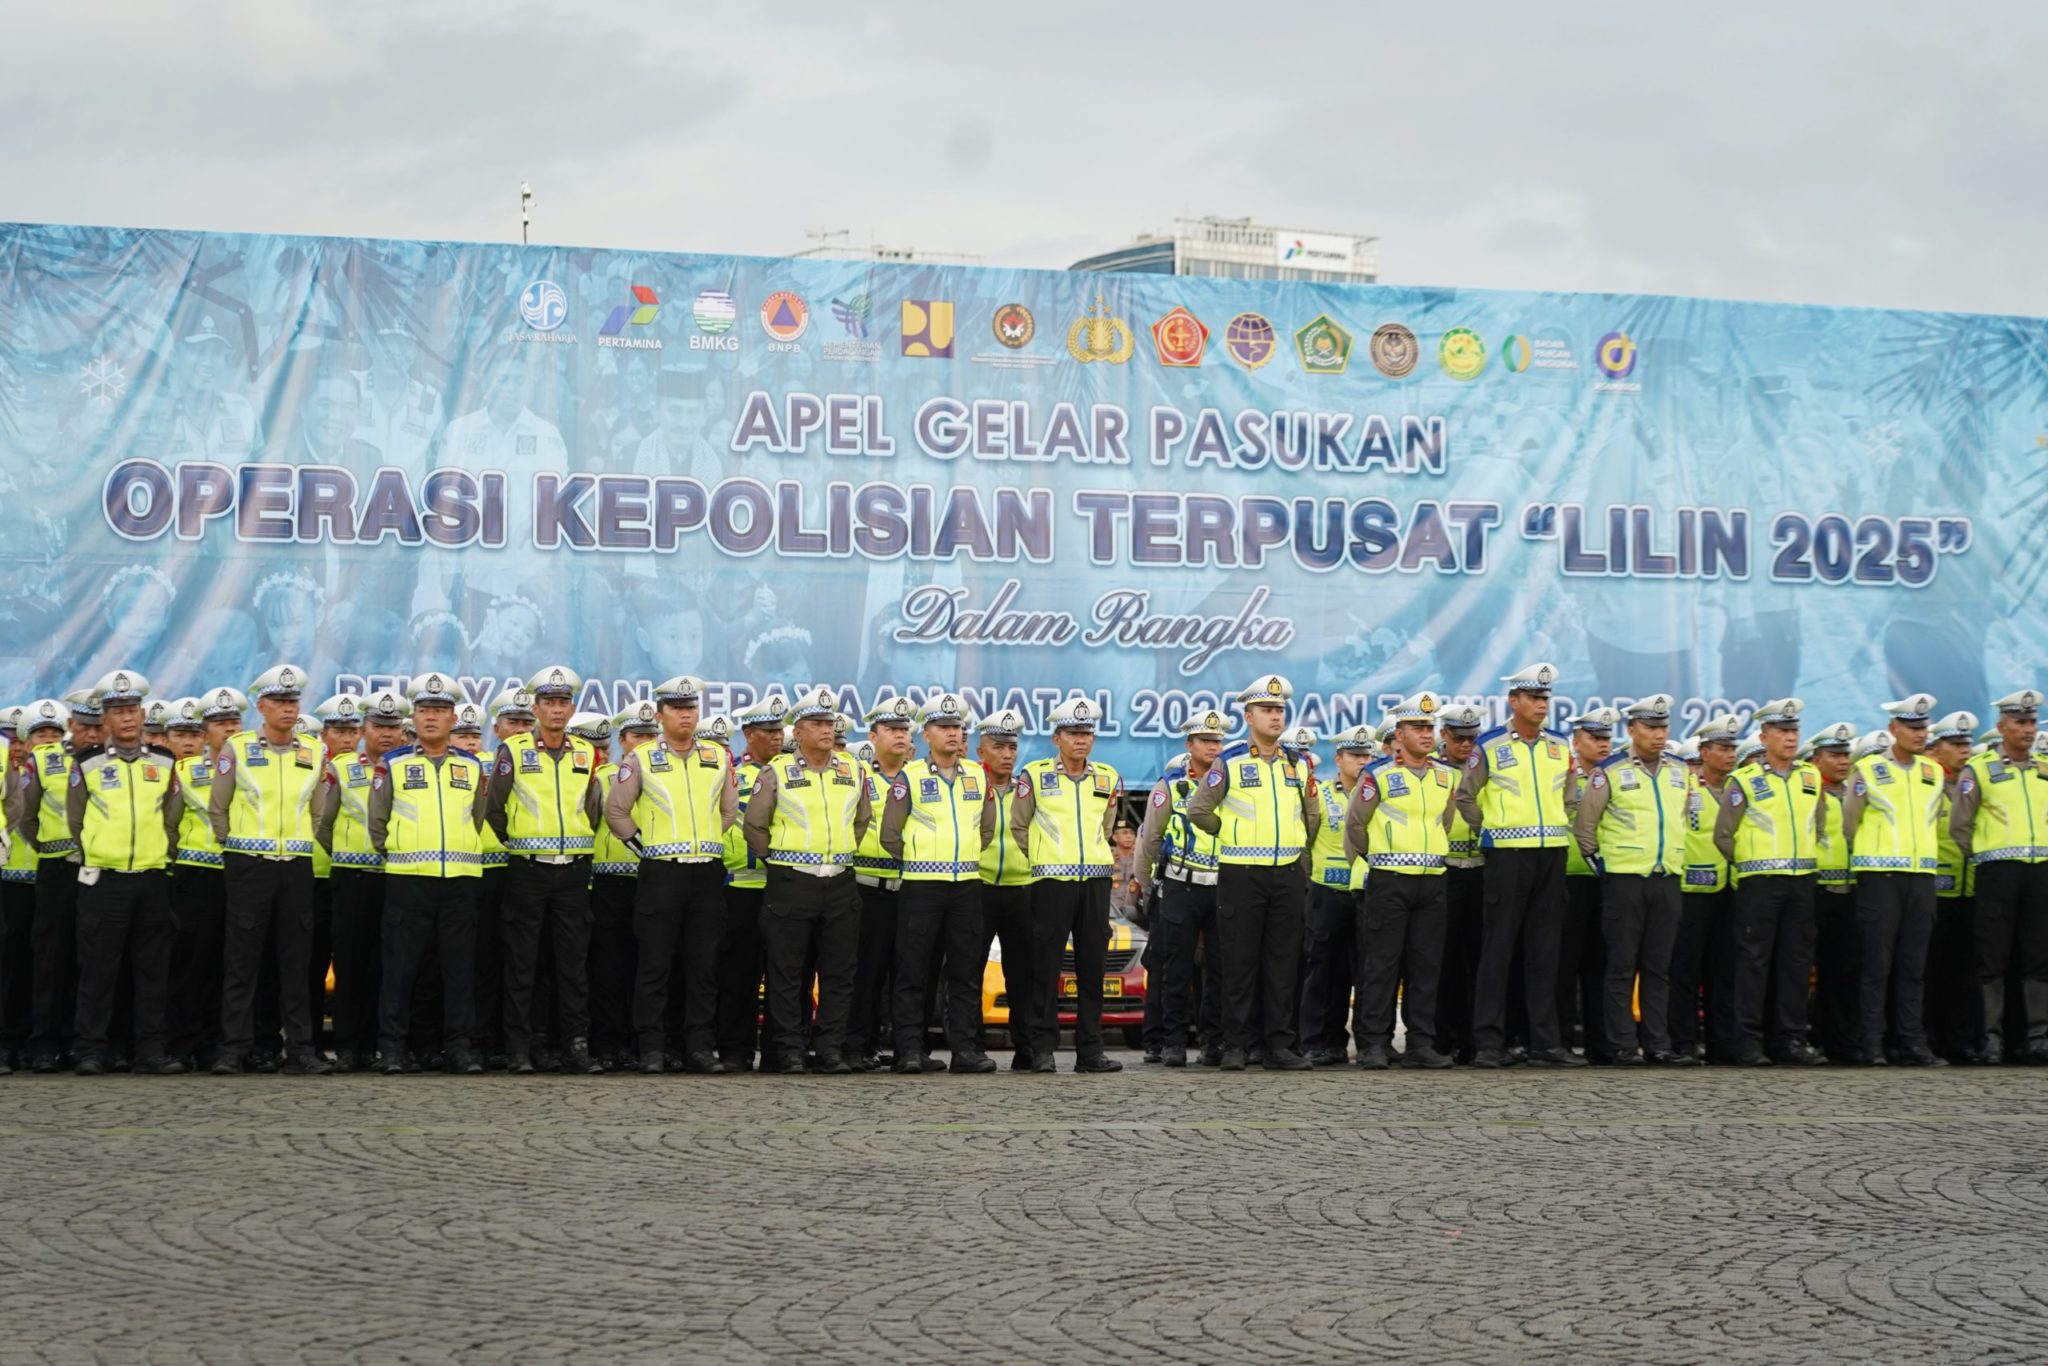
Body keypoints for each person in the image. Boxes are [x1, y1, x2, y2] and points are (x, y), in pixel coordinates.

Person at [1183, 675, 1318, 1072]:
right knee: (1239, 963)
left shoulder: (1298, 763)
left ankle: (1279, 1046)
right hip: (1241, 873)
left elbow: (1311, 815)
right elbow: (1198, 810)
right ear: (1248, 716)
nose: (1275, 716)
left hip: (1287, 872)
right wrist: (1229, 832)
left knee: (1283, 964)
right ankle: (1236, 1045)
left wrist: (1296, 846)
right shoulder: (1230, 762)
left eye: (1280, 710)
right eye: (1267, 710)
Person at [603, 676, 736, 1074]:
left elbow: (728, 810)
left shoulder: (717, 756)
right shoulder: (641, 758)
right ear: (660, 716)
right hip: (661, 873)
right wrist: (645, 847)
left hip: (706, 873)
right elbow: (616, 811)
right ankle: (651, 1049)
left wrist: (704, 840)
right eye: (677, 709)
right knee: (655, 964)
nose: (685, 715)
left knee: (702, 965)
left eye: (691, 708)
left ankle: (698, 1048)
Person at [1457, 662, 1585, 1068]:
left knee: (1545, 952)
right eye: (1533, 697)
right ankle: (1489, 1043)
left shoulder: (1559, 745)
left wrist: (1553, 824)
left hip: (1551, 854)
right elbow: (1465, 797)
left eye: (1546, 697)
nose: (1542, 704)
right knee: (1498, 949)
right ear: (1514, 700)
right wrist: (1491, 830)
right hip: (1507, 857)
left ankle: (1544, 1043)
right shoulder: (1489, 745)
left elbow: (1569, 796)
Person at [208, 664, 331, 1075]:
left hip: (296, 868)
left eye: (293, 700)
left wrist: (297, 843)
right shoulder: (238, 748)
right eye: (279, 700)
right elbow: (218, 808)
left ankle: (300, 1051)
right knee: (242, 962)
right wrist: (237, 849)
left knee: (296, 963)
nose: (288, 707)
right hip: (249, 867)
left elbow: (318, 812)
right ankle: (233, 1050)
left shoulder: (314, 750)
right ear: (261, 706)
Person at [742, 684, 871, 1074]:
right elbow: (754, 826)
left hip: (840, 882)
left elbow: (861, 819)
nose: (826, 729)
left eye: (829, 723)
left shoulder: (853, 770)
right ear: (797, 732)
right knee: (787, 972)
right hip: (792, 882)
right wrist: (780, 860)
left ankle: (830, 1049)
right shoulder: (777, 772)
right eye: (816, 723)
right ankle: (790, 1050)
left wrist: (838, 852)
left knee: (839, 972)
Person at [369, 671, 489, 1074]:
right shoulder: (393, 764)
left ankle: (458, 1048)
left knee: (458, 970)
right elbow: (377, 823)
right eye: (424, 711)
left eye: (440, 711)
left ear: (453, 719)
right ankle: (393, 1049)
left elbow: (477, 816)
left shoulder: (471, 766)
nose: (432, 717)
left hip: (460, 880)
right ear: (413, 719)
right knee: (401, 969)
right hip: (408, 880)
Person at [486, 666, 604, 1075]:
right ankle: (521, 1048)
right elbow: (494, 809)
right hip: (528, 871)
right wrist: (522, 841)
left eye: (563, 702)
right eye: (549, 702)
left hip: (573, 872)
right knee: (523, 963)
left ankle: (574, 1046)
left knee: (572, 964)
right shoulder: (513, 750)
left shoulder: (585, 752)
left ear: (572, 709)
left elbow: (592, 808)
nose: (556, 710)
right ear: (535, 708)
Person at [66, 670, 181, 1075]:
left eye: (133, 710)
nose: (127, 718)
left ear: (143, 714)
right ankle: (91, 1050)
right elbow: (75, 820)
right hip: (104, 879)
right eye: (118, 711)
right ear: (105, 720)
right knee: (98, 969)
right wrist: (99, 852)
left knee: (152, 969)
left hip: (151, 878)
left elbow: (171, 816)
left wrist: (159, 854)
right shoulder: (87, 763)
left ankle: (150, 1050)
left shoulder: (164, 761)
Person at [1574, 694, 1693, 1066]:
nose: (1658, 735)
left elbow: (1683, 819)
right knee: (1621, 965)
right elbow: (1585, 828)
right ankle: (1622, 1044)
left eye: (1663, 727)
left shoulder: (1680, 770)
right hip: (1624, 880)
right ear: (1632, 729)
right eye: (1650, 727)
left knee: (1658, 966)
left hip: (1666, 878)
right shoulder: (1609, 770)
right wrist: (1605, 869)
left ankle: (1658, 1044)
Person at [878, 692, 994, 1073]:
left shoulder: (977, 774)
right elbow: (890, 834)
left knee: (965, 971)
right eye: (943, 727)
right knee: (913, 969)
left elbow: (987, 828)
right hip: (922, 885)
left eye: (957, 727)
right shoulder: (909, 777)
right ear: (926, 734)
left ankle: (966, 1050)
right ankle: (910, 1050)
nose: (952, 733)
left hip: (966, 885)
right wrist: (919, 857)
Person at [1344, 692, 1459, 1069]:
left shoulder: (1445, 775)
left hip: (1432, 880)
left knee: (1426, 966)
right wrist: (1378, 858)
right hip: (1389, 880)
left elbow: (1445, 821)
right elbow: (1355, 825)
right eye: (1418, 727)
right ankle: (1374, 1043)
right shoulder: (1377, 774)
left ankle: (1420, 1043)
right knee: (1382, 965)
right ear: (1400, 733)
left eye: (1430, 727)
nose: (1427, 734)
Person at [1010, 697, 1124, 1074]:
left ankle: (1090, 1051)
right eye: (1073, 733)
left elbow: (1107, 826)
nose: (1081, 740)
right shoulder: (1035, 775)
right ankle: (1042, 1049)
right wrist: (1043, 855)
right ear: (1056, 738)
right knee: (1045, 968)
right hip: (1050, 881)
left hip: (1095, 881)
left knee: (1093, 967)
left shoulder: (1107, 776)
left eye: (1086, 733)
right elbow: (1019, 826)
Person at [1712, 699, 1827, 1066]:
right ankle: (1748, 1042)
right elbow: (1723, 835)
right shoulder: (1744, 780)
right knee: (1753, 963)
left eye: (1794, 731)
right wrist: (1751, 861)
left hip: (1801, 881)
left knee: (1796, 964)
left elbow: (1818, 825)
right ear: (1764, 737)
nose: (1790, 738)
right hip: (1759, 883)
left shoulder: (1811, 776)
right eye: (1782, 731)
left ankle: (1791, 1041)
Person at [1842, 693, 1946, 1066]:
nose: (1920, 734)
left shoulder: (1932, 771)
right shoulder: (1868, 770)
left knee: (1913, 966)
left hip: (1921, 878)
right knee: (1877, 965)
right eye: (1912, 727)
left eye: (1923, 727)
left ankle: (1912, 1044)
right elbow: (1849, 823)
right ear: (1893, 729)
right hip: (1880, 877)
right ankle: (1872, 1044)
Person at [313, 689, 407, 1071]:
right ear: (365, 729)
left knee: (387, 966)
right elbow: (324, 825)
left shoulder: (407, 766)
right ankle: (349, 1046)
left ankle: (379, 1045)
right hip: (351, 879)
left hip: (395, 877)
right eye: (378, 726)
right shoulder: (341, 768)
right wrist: (348, 854)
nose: (385, 734)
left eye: (392, 727)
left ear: (403, 731)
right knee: (350, 963)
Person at [1951, 689, 2048, 1064]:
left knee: (2039, 957)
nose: (2028, 729)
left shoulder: (2044, 768)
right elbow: (1960, 826)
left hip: (2041, 872)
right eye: (2020, 722)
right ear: (2002, 726)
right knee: (1991, 957)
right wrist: (1984, 857)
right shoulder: (1979, 770)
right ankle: (1990, 1039)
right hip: (1997, 873)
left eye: (2031, 722)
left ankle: (2036, 1039)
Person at [716, 693, 787, 1071]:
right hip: (740, 888)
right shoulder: (732, 776)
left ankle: (779, 1051)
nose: (776, 737)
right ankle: (735, 1049)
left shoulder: (792, 774)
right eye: (767, 731)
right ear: (748, 734)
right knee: (738, 974)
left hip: (785, 885)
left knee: (784, 974)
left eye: (779, 731)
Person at [9, 697, 79, 1071]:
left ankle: (66, 1040)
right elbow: (25, 820)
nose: (48, 739)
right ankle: (21, 1042)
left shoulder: (69, 767)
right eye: (40, 734)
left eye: (54, 732)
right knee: (21, 966)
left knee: (66, 961)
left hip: (60, 875)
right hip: (17, 883)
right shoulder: (15, 775)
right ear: (24, 741)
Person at [846, 696, 914, 1070]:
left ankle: (904, 1047)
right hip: (866, 885)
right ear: (873, 736)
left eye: (904, 729)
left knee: (903, 973)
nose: (899, 735)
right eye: (891, 729)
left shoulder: (918, 777)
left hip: (909, 886)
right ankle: (857, 1045)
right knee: (865, 971)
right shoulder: (858, 776)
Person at [1300, 723, 1371, 1065]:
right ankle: (1316, 1041)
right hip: (1326, 893)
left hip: (1364, 893)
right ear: (1339, 758)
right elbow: (1306, 842)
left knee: (1360, 971)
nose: (1362, 762)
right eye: (1355, 756)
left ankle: (1355, 1042)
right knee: (1322, 970)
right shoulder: (1321, 794)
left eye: (1367, 756)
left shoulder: (1376, 793)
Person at [588, 703, 653, 1070]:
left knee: (645, 967)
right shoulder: (603, 777)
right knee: (609, 967)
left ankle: (637, 1043)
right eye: (637, 736)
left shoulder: (664, 774)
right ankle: (606, 1043)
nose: (643, 742)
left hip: (652, 879)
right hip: (609, 882)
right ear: (622, 741)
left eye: (650, 736)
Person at [1673, 714, 1739, 1062]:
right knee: (1685, 971)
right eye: (1723, 749)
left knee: (1724, 970)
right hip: (1691, 891)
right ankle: (1682, 1042)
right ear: (1704, 752)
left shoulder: (1738, 789)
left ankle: (1722, 1045)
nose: (1731, 755)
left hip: (1731, 889)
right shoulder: (1686, 789)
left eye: (1733, 749)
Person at [974, 707, 1037, 1070]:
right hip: (977, 886)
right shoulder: (968, 786)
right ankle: (970, 1048)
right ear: (981, 751)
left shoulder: (1028, 789)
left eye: (1012, 747)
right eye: (998, 747)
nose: (1007, 754)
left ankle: (1027, 1048)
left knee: (1024, 974)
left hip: (1022, 888)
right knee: (968, 971)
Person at [1559, 708, 1618, 1060]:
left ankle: (1601, 1043)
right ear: (1577, 741)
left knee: (1602, 965)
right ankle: (1562, 1040)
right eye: (1595, 738)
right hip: (1568, 878)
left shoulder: (1617, 776)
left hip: (1607, 879)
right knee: (1564, 965)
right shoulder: (1564, 775)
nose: (1603, 744)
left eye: (1607, 738)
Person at [1924, 710, 1980, 1061]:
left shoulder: (1975, 785)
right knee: (1930, 970)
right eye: (1955, 745)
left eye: (1966, 744)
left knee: (1963, 972)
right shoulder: (1926, 787)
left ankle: (1960, 1042)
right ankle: (1928, 1039)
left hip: (1970, 889)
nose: (1964, 751)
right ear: (1937, 749)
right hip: (1934, 891)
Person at [1434, 704, 1486, 1062]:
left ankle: (1472, 1039)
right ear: (1444, 736)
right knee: (1443, 960)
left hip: (1481, 869)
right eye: (1459, 738)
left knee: (1477, 959)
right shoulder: (1434, 771)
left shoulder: (1482, 767)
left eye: (1472, 738)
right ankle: (1441, 1038)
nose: (1466, 745)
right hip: (1446, 871)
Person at [1807, 722, 1861, 1061]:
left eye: (1846, 755)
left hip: (1849, 890)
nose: (1843, 762)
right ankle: (1806, 1036)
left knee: (1843, 969)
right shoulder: (1807, 792)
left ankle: (1841, 1041)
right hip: (1814, 888)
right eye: (1834, 755)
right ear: (1816, 760)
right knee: (1805, 971)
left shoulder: (1856, 791)